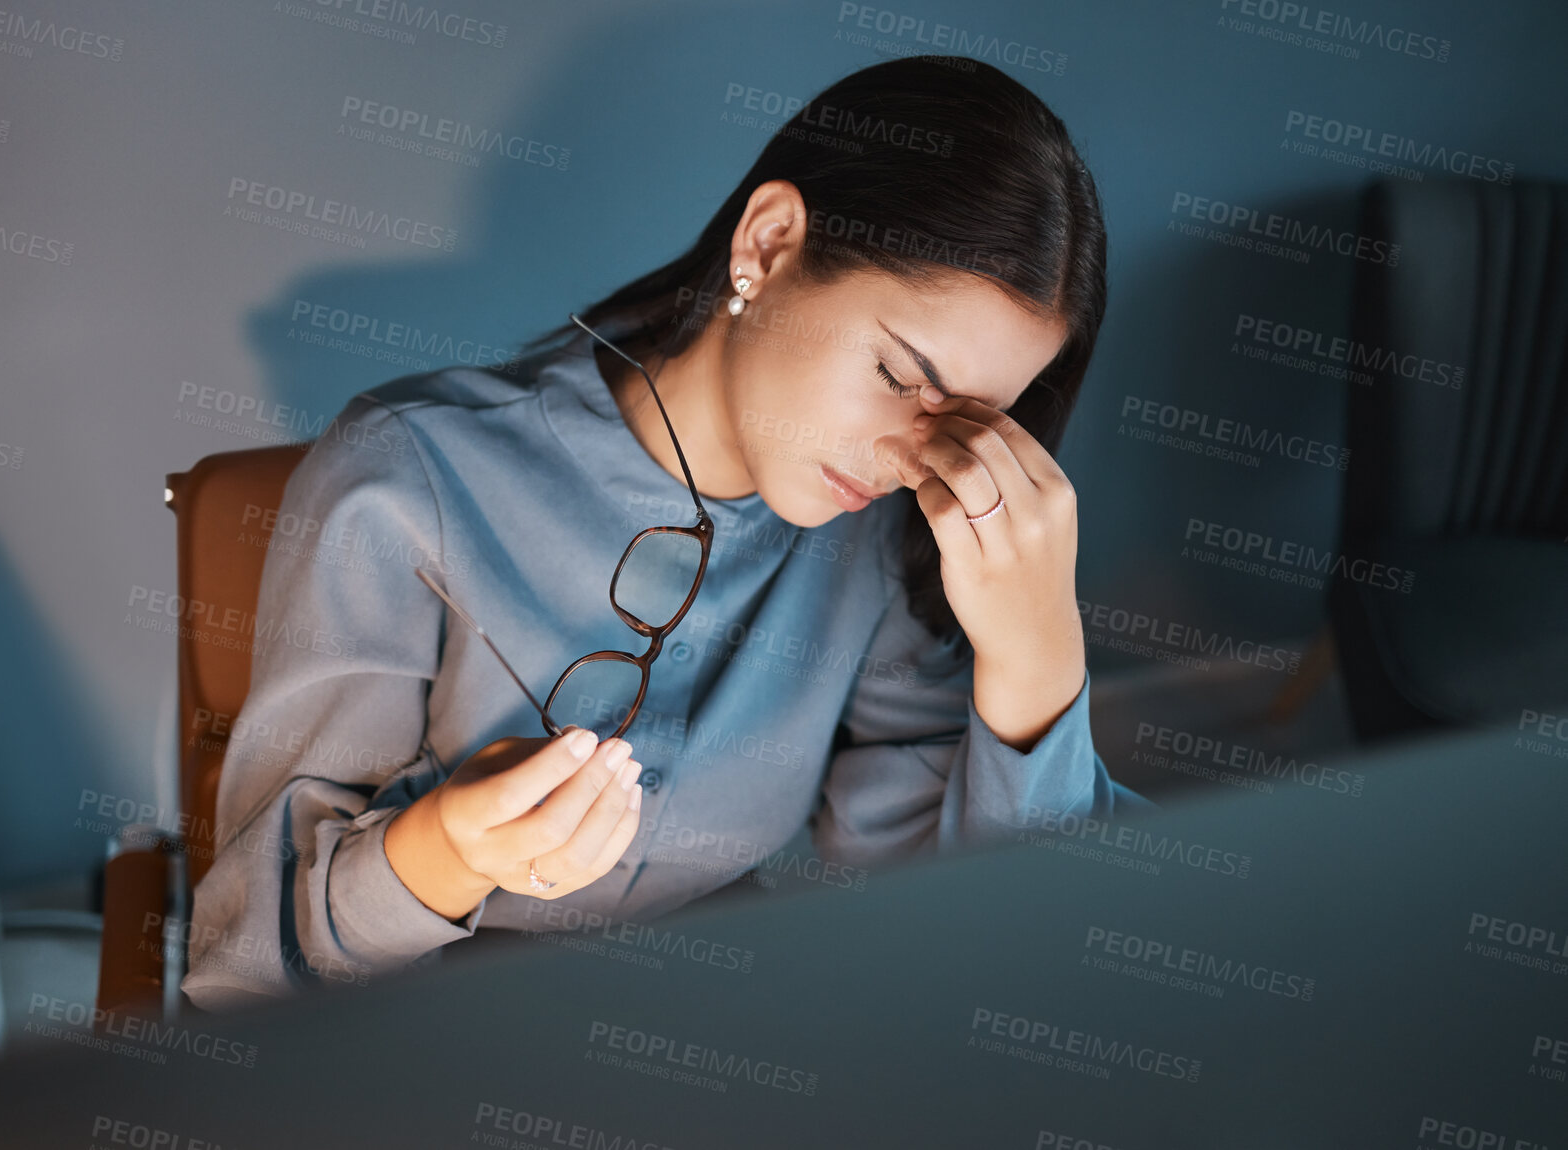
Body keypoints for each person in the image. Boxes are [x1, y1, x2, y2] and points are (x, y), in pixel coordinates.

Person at [181, 54, 1152, 1011]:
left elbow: (990, 933)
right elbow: (247, 976)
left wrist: (1038, 663)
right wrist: (444, 852)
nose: (913, 455)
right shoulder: (406, 482)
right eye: (901, 378)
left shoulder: (878, 533)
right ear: (767, 245)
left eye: (968, 424)